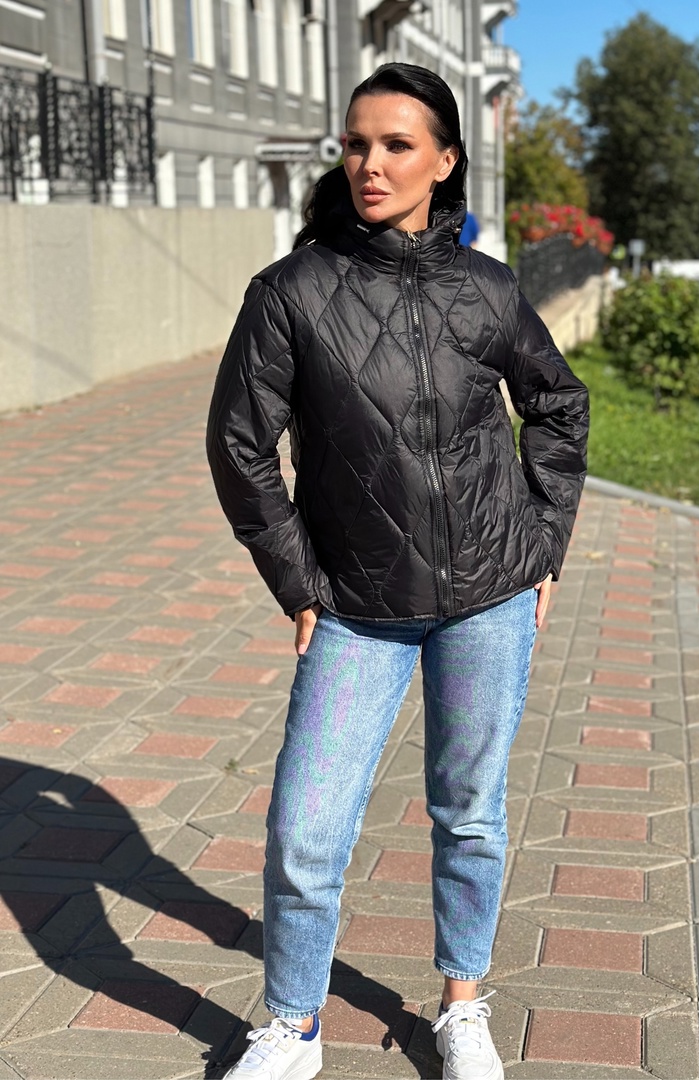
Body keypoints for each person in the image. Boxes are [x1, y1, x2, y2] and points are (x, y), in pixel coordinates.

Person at [207, 62, 588, 1080]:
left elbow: (558, 404)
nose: (370, 164)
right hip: (354, 605)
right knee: (306, 828)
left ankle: (462, 1008)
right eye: (356, 144)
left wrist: (543, 539)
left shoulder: (487, 288)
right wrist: (296, 580)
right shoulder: (291, 293)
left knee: (470, 813)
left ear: (444, 161)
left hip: (489, 598)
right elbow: (240, 445)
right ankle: (293, 1026)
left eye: (396, 145)